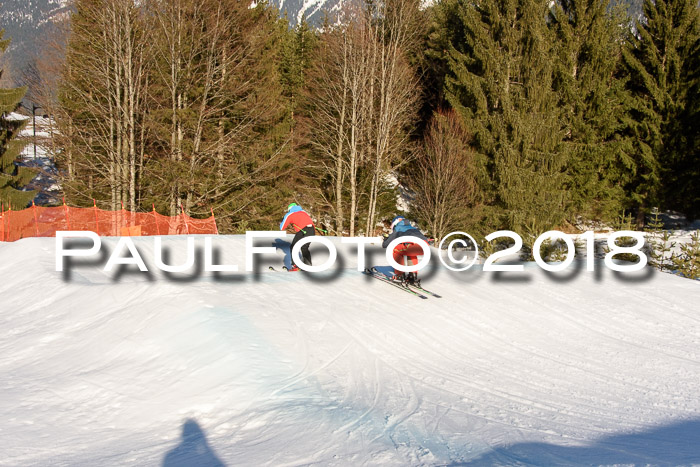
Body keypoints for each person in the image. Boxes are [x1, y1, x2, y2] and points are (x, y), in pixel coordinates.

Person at [381, 215, 430, 284]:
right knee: (410, 254)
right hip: (424, 246)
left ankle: (399, 275)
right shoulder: (413, 227)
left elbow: (386, 244)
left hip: (412, 244)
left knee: (394, 249)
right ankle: (412, 276)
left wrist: (385, 239)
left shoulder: (398, 227)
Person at [280, 202, 315, 271]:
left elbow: (282, 227)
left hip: (303, 230)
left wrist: (284, 220)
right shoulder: (303, 211)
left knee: (294, 246)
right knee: (304, 247)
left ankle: (295, 265)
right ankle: (308, 265)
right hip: (311, 230)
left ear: (289, 209)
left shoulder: (290, 214)